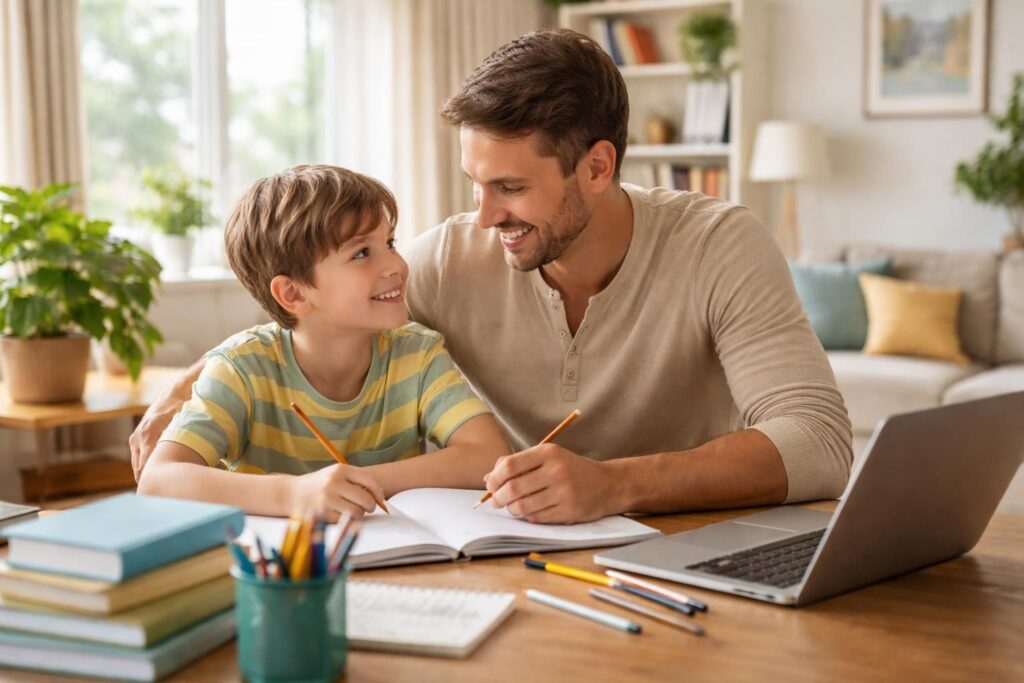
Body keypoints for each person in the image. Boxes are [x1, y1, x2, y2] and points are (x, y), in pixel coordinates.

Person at [133, 30, 852, 524]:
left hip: (691, 547)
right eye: (475, 184)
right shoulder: (454, 257)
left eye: (509, 187)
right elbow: (318, 308)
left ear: (597, 167)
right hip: (515, 555)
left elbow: (818, 442)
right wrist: (189, 383)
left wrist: (616, 483)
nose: (483, 216)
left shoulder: (720, 245)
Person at [136, 165, 509, 520]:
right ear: (294, 293)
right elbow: (158, 480)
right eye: (361, 253)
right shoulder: (243, 369)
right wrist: (294, 494)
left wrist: (360, 484)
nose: (396, 265)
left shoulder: (417, 354)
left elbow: (487, 456)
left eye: (389, 243)